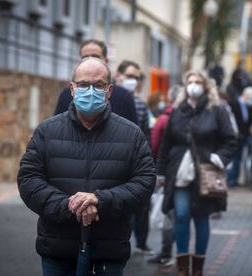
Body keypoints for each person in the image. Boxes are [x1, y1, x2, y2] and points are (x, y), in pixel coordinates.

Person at [17, 57, 156, 275]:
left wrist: (100, 200)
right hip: (58, 248)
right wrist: (69, 205)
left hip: (109, 250)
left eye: (98, 85)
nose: (90, 90)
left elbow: (145, 183)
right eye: (83, 84)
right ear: (72, 89)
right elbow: (28, 180)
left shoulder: (131, 135)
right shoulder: (47, 131)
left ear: (109, 91)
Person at [156, 71, 236, 275]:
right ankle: (182, 266)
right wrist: (161, 173)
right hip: (179, 172)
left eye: (197, 82)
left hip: (206, 172)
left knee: (201, 217)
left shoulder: (217, 110)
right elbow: (165, 144)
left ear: (206, 86)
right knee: (181, 215)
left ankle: (198, 267)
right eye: (189, 82)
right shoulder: (177, 110)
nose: (193, 85)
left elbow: (230, 140)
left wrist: (220, 157)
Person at [114, 60, 153, 254]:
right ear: (118, 75)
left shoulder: (140, 104)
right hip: (115, 162)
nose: (133, 81)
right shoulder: (107, 98)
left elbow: (146, 134)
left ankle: (141, 242)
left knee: (140, 205)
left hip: (135, 162)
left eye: (136, 78)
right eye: (130, 76)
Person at [53, 39, 138, 125]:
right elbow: (56, 127)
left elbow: (133, 134)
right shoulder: (66, 95)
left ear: (106, 61)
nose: (90, 60)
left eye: (96, 56)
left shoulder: (124, 97)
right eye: (85, 57)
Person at [147, 85, 181, 267]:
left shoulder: (163, 119)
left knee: (169, 213)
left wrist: (157, 170)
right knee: (178, 214)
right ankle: (175, 252)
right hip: (180, 173)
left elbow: (154, 145)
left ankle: (167, 251)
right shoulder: (182, 118)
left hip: (167, 171)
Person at [226, 86, 252, 187]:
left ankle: (243, 180)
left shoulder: (250, 107)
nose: (251, 100)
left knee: (246, 158)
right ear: (245, 95)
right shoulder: (234, 104)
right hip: (236, 135)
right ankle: (232, 180)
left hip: (246, 135)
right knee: (236, 158)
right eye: (251, 98)